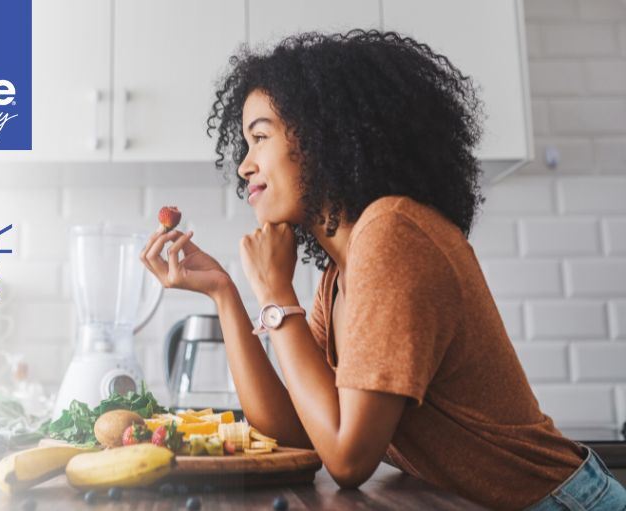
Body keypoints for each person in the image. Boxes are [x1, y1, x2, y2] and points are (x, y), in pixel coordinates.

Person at [139, 29, 626, 511]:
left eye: (260, 137)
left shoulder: (392, 233)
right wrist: (225, 294)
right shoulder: (340, 274)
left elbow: (348, 460)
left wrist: (275, 291)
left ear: (321, 137)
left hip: (562, 503)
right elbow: (300, 432)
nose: (244, 165)